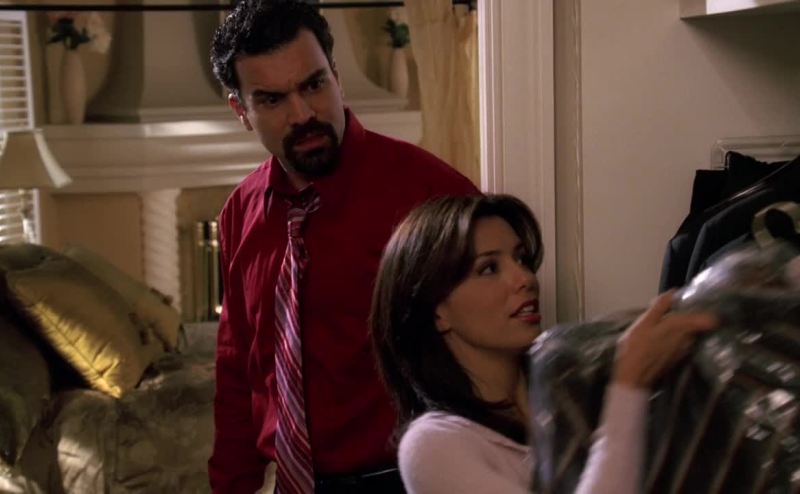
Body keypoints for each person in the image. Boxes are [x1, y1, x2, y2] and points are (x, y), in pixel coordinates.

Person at [207, 0, 479, 492]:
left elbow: (494, 348)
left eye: (314, 85)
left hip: (408, 478)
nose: (303, 114)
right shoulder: (240, 214)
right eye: (272, 100)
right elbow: (237, 373)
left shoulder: (429, 193)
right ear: (241, 111)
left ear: (336, 76)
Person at [370, 194, 718, 493]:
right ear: (437, 312)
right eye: (489, 268)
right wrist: (630, 385)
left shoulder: (573, 392)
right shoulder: (433, 446)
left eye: (521, 259)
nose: (525, 278)